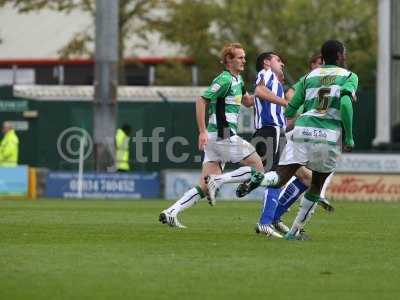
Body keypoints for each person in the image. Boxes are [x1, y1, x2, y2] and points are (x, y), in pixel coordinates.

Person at [236, 40, 358, 240]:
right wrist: (350, 136)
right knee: (316, 184)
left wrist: (297, 114)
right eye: (344, 53)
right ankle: (293, 232)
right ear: (339, 56)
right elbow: (345, 104)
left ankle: (260, 178)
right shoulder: (349, 77)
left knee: (281, 176)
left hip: (301, 132)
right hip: (327, 136)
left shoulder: (308, 77)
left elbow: (291, 107)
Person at [159, 42, 264, 228]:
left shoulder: (237, 80)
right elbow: (201, 100)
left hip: (217, 139)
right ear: (228, 61)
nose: (244, 60)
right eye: (240, 57)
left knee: (204, 186)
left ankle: (171, 212)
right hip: (222, 134)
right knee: (258, 167)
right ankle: (219, 180)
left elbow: (247, 102)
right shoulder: (224, 79)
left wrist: (264, 92)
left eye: (244, 57)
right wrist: (202, 131)